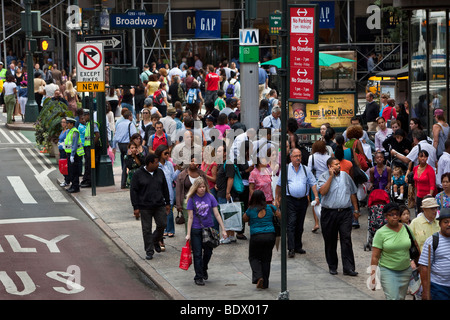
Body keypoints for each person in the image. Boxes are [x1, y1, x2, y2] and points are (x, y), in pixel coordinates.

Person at [317, 157, 359, 276]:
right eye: (335, 165)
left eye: (339, 164)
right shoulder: (323, 177)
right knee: (330, 240)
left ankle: (348, 267)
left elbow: (352, 192)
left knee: (346, 239)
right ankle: (332, 266)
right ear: (329, 167)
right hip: (329, 212)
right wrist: (330, 177)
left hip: (345, 212)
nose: (338, 167)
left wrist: (356, 209)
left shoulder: (345, 176)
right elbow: (322, 192)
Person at [275, 148, 319, 258]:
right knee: (291, 223)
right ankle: (291, 248)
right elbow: (279, 185)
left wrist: (316, 196)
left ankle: (298, 245)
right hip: (290, 200)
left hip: (303, 200)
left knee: (300, 224)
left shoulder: (305, 169)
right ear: (291, 157)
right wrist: (277, 198)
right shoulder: (285, 169)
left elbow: (313, 183)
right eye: (295, 156)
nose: (298, 158)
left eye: (299, 155)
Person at [369, 202, 418, 300]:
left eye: (397, 214)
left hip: (405, 270)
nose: (394, 216)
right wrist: (373, 278)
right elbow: (375, 257)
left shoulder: (406, 228)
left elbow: (415, 247)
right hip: (388, 271)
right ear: (386, 216)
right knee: (393, 298)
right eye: (391, 214)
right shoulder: (380, 233)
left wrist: (419, 266)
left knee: (400, 297)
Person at [185, 177, 228, 286]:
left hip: (208, 228)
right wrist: (188, 234)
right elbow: (190, 217)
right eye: (200, 187)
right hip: (196, 229)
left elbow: (217, 214)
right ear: (195, 188)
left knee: (208, 252)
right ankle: (198, 276)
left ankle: (203, 268)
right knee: (197, 253)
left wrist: (223, 229)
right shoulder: (192, 199)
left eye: (204, 187)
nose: (202, 189)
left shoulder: (210, 197)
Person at [130, 153, 171, 260]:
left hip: (159, 205)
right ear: (149, 163)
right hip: (145, 206)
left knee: (162, 224)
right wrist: (136, 207)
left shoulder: (160, 172)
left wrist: (167, 203)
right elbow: (133, 191)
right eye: (156, 162)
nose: (158, 164)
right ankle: (149, 250)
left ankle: (155, 239)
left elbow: (165, 188)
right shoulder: (138, 174)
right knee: (146, 229)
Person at [243, 190, 279, 289]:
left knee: (253, 257)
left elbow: (244, 219)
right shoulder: (271, 207)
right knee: (266, 259)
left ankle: (259, 277)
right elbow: (280, 216)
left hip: (256, 236)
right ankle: (265, 283)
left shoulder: (250, 209)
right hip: (270, 235)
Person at [418, 208, 450, 300]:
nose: (449, 224)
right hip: (439, 287)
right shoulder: (432, 241)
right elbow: (424, 267)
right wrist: (426, 291)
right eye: (446, 222)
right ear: (440, 224)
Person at [176, 154, 208, 233]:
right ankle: (189, 239)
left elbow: (207, 188)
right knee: (188, 221)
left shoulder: (202, 174)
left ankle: (199, 238)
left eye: (195, 161)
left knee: (200, 220)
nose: (193, 163)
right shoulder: (182, 175)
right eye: (191, 161)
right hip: (186, 201)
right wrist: (179, 205)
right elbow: (178, 191)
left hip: (200, 201)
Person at [112, 110, 137, 189]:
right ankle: (125, 182)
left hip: (120, 145)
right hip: (127, 145)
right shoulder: (130, 124)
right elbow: (134, 135)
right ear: (129, 116)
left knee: (124, 162)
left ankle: (124, 181)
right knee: (128, 163)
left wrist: (114, 146)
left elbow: (115, 136)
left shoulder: (119, 124)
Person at [64, 117, 85, 193]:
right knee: (71, 171)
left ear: (72, 124)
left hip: (74, 154)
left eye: (68, 123)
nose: (67, 125)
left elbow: (74, 144)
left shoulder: (75, 132)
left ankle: (75, 186)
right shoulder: (69, 131)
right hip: (70, 154)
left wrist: (72, 155)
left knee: (74, 171)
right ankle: (73, 185)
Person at [80, 109, 100, 188]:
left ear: (89, 115)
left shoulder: (93, 124)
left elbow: (97, 135)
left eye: (85, 115)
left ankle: (89, 181)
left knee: (91, 164)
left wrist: (93, 145)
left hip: (92, 148)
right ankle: (85, 180)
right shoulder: (88, 124)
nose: (83, 117)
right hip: (87, 147)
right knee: (88, 164)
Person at [58, 117, 70, 187]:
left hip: (64, 150)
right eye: (62, 122)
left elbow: (66, 141)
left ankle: (67, 180)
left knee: (65, 166)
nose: (63, 124)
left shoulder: (67, 131)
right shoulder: (62, 131)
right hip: (61, 150)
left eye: (64, 122)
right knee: (62, 165)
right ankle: (66, 179)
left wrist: (65, 150)